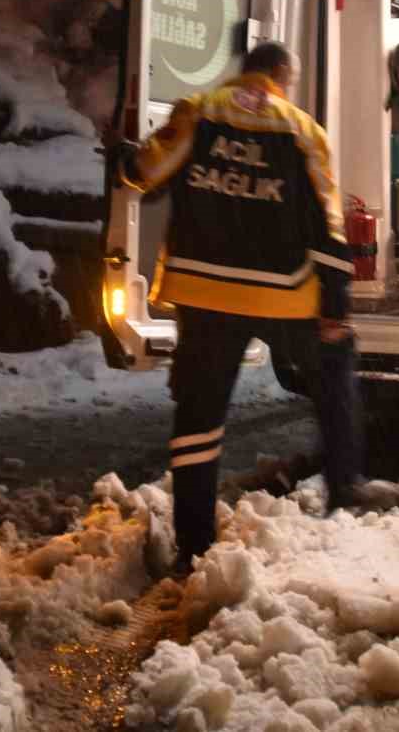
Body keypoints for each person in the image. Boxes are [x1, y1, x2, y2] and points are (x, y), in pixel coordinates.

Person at [117, 41, 361, 575]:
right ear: (282, 76)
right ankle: (345, 492)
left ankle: (194, 545)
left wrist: (125, 155)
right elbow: (327, 223)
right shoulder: (303, 130)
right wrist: (335, 301)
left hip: (205, 294)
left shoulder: (197, 112)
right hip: (284, 293)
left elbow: (143, 172)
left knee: (199, 420)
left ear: (244, 72)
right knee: (333, 376)